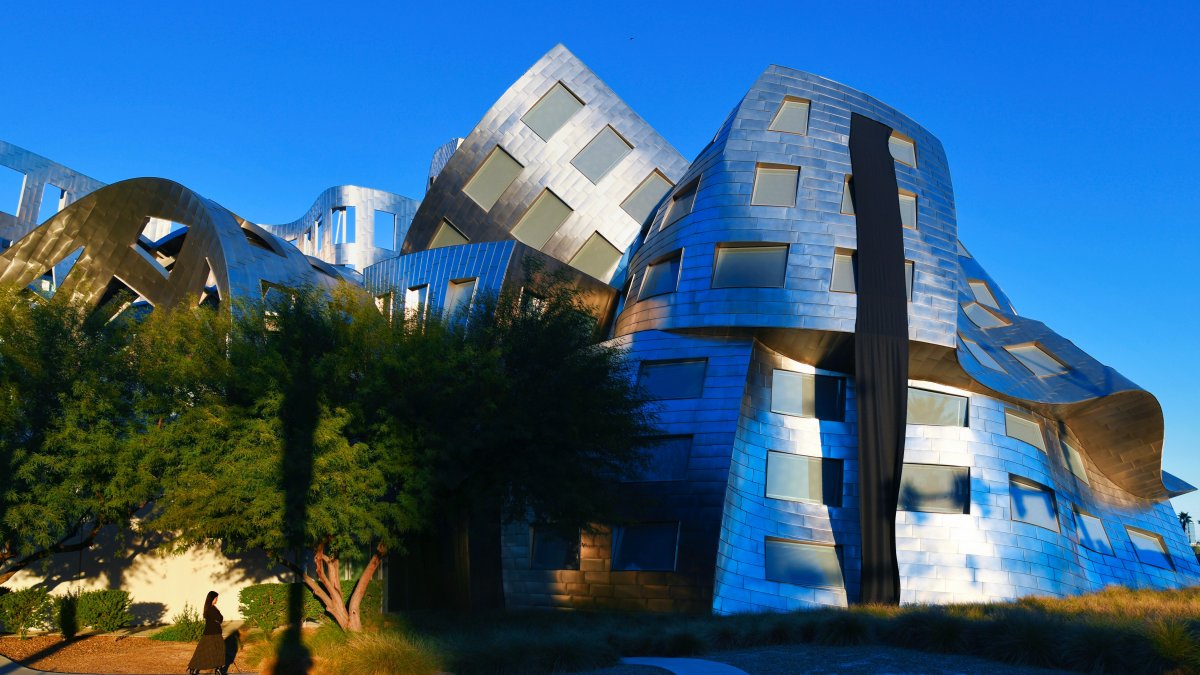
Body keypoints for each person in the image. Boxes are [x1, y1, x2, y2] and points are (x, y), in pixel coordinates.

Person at [186, 591, 228, 675]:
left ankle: (217, 669)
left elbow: (219, 619)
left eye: (217, 598)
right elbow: (220, 618)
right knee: (206, 652)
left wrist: (218, 615)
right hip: (211, 634)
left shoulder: (211, 608)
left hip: (214, 633)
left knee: (217, 651)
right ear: (211, 599)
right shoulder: (211, 609)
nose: (217, 600)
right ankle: (194, 668)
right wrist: (219, 615)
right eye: (216, 598)